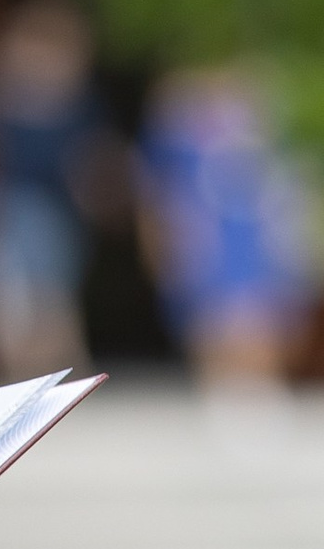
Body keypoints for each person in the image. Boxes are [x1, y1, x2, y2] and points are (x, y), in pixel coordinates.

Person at [135, 63, 317, 387]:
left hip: (253, 236)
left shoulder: (270, 116)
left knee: (256, 321)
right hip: (211, 239)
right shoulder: (179, 126)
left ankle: (252, 399)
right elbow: (161, 194)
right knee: (217, 324)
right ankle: (227, 401)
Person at [0, 0, 120, 377]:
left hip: (53, 215)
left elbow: (90, 161)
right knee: (21, 302)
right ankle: (30, 374)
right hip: (10, 212)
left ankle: (57, 374)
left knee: (50, 300)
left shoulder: (77, 105)